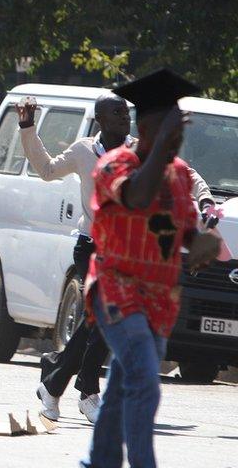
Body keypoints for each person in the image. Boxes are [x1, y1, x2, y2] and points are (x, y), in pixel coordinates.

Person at [73, 69, 221, 468]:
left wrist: (202, 247)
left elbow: (182, 234)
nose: (177, 138)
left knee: (122, 388)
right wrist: (160, 149)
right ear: (146, 129)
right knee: (144, 382)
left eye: (181, 130)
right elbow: (136, 199)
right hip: (117, 287)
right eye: (169, 128)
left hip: (160, 298)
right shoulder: (115, 164)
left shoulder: (180, 175)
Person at [20, 94, 216, 424]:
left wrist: (205, 200)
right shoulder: (83, 151)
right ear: (99, 119)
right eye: (115, 113)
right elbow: (47, 170)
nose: (123, 117)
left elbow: (185, 172)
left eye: (125, 112)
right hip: (91, 245)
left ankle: (55, 379)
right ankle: (86, 391)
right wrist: (27, 128)